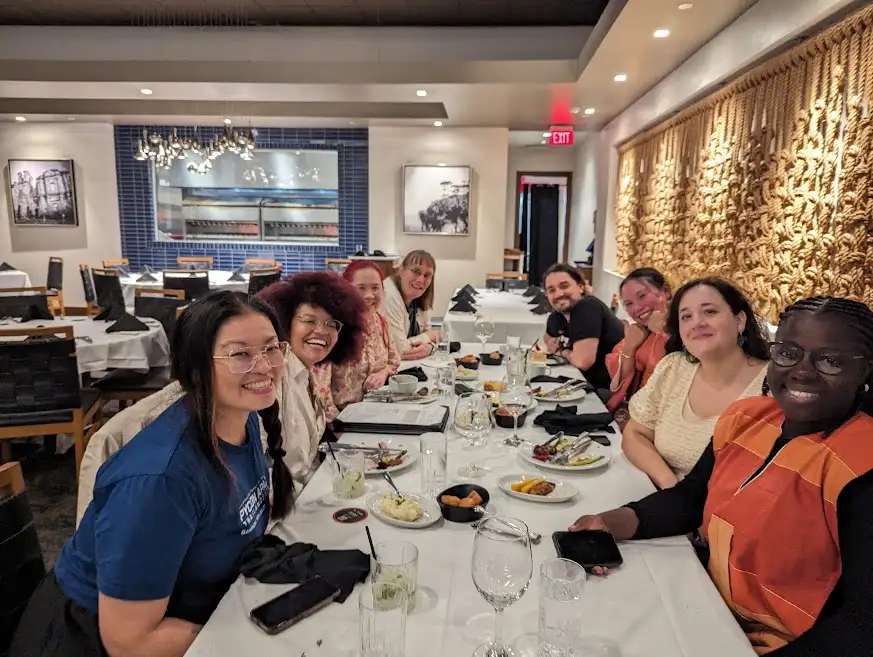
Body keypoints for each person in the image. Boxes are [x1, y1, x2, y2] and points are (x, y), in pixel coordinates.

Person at [570, 296, 873, 656]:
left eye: (831, 361)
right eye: (788, 353)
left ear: (865, 371)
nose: (803, 371)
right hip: (705, 603)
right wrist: (610, 522)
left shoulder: (862, 464)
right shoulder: (746, 417)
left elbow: (861, 625)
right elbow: (690, 499)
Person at [11, 291, 294, 657]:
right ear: (196, 368)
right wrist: (250, 628)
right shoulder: (161, 480)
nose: (264, 365)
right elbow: (131, 643)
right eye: (240, 354)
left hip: (190, 610)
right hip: (87, 641)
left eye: (271, 348)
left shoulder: (244, 421)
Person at [623, 277, 768, 488]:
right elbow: (634, 434)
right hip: (661, 503)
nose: (697, 323)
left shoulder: (772, 385)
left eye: (709, 312)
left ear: (739, 321)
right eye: (686, 317)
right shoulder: (674, 367)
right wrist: (670, 486)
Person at [258, 271, 365, 485]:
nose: (321, 331)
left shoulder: (306, 374)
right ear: (285, 322)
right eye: (309, 320)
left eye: (332, 324)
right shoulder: (272, 377)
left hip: (313, 493)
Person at [315, 260, 401, 420]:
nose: (369, 295)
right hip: (343, 420)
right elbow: (320, 390)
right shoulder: (334, 328)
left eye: (375, 288)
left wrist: (383, 373)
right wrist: (338, 426)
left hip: (377, 410)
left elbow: (394, 360)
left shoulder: (380, 321)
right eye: (360, 288)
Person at [542, 263, 624, 393]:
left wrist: (562, 352)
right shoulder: (556, 317)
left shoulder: (586, 307)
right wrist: (551, 343)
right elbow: (547, 337)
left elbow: (582, 361)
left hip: (607, 393)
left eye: (564, 286)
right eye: (551, 290)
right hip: (580, 385)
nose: (558, 294)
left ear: (581, 287)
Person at [604, 268, 671, 418]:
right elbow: (618, 379)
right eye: (628, 303)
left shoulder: (685, 327)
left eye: (642, 296)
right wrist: (629, 348)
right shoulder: (638, 331)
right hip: (632, 413)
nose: (637, 308)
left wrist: (664, 332)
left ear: (665, 291)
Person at [382, 250, 440, 360]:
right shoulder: (388, 295)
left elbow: (429, 333)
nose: (421, 280)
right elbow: (399, 350)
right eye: (416, 271)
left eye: (427, 275)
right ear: (401, 270)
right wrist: (430, 336)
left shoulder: (420, 296)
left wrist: (430, 347)